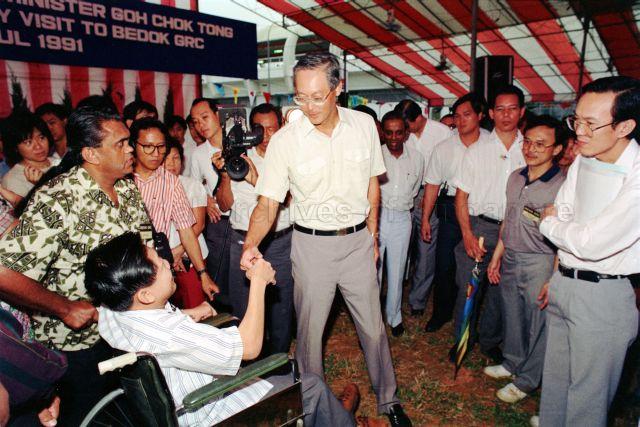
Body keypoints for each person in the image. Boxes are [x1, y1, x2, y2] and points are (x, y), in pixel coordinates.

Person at [240, 52, 410, 426]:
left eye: (318, 96)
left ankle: (389, 400)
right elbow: (268, 204)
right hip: (312, 246)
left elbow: (371, 185)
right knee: (310, 334)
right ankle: (309, 403)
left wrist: (374, 234)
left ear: (338, 88)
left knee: (373, 326)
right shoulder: (286, 140)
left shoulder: (365, 126)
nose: (309, 105)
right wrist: (251, 244)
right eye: (300, 97)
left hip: (357, 244)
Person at [85, 232, 369, 427]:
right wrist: (258, 283)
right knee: (312, 387)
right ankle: (342, 419)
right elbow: (249, 347)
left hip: (176, 408)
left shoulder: (113, 310)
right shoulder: (172, 333)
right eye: (160, 265)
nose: (169, 263)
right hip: (212, 412)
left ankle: (333, 416)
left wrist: (186, 313)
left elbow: (154, 328)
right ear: (145, 296)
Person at [0, 105, 153, 424]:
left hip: (126, 331)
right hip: (74, 346)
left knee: (129, 413)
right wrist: (63, 308)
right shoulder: (58, 200)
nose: (131, 150)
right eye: (121, 144)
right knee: (85, 417)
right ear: (91, 154)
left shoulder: (126, 188)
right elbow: (4, 273)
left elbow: (145, 249)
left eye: (129, 141)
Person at [538, 76, 640, 426]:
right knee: (555, 386)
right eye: (576, 120)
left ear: (625, 125)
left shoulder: (637, 176)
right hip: (565, 281)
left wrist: (551, 226)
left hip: (604, 295)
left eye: (590, 124)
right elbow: (563, 209)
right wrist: (566, 228)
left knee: (587, 401)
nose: (578, 131)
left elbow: (590, 243)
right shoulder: (585, 155)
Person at [484, 115, 566, 403]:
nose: (530, 148)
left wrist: (554, 277)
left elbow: (561, 240)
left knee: (537, 321)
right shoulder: (516, 176)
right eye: (528, 142)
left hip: (540, 261)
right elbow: (508, 219)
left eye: (540, 144)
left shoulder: (562, 184)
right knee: (512, 314)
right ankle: (512, 361)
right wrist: (497, 256)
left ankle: (528, 380)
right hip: (511, 255)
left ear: (557, 149)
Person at [452, 85, 526, 362]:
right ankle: (462, 339)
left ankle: (491, 340)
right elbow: (461, 197)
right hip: (479, 227)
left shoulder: (529, 148)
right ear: (491, 114)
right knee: (469, 287)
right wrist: (467, 234)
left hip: (514, 231)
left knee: (501, 290)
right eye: (501, 109)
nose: (506, 115)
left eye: (512, 109)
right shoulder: (477, 150)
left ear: (521, 111)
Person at [214, 103, 295, 356]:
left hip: (281, 243)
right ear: (252, 130)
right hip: (242, 243)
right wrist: (225, 174)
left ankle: (279, 365)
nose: (268, 136)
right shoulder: (239, 157)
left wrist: (255, 179)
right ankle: (247, 367)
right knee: (242, 308)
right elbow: (224, 204)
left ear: (281, 127)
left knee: (281, 311)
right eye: (262, 130)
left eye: (273, 128)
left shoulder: (289, 156)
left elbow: (288, 200)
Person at [421, 93, 490, 333]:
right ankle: (441, 313)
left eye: (467, 115)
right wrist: (426, 219)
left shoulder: (492, 145)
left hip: (481, 211)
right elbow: (431, 184)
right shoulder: (444, 148)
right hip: (450, 209)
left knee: (476, 267)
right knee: (445, 265)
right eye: (457, 116)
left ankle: (472, 317)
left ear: (481, 115)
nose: (461, 121)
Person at [130, 118, 218, 300]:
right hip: (127, 267)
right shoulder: (122, 180)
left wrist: (203, 274)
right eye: (148, 146)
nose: (156, 153)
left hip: (158, 266)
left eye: (161, 147)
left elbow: (187, 231)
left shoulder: (171, 182)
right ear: (134, 145)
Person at [394, 99, 452, 317]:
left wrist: (429, 196)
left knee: (426, 250)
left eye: (407, 127)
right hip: (405, 195)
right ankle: (394, 294)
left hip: (432, 195)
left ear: (418, 119)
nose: (404, 133)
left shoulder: (442, 133)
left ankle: (417, 300)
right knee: (401, 247)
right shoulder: (404, 135)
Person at [377, 110, 424, 337]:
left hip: (403, 218)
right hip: (377, 217)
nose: (394, 137)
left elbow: (415, 190)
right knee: (373, 271)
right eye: (389, 133)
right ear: (383, 133)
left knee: (397, 271)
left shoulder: (417, 158)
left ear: (406, 133)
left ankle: (394, 317)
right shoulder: (374, 155)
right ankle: (373, 320)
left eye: (398, 133)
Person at [189, 98, 230, 297]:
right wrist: (206, 200)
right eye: (195, 122)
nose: (200, 125)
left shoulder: (239, 143)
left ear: (218, 114)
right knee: (219, 277)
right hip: (219, 222)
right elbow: (194, 186)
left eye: (204, 117)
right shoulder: (198, 154)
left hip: (247, 218)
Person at [163, 139, 211, 309]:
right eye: (166, 159)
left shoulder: (192, 185)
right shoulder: (151, 186)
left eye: (176, 158)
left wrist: (177, 252)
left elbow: (198, 225)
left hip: (190, 257)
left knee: (195, 306)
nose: (171, 163)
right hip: (163, 259)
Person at [1, 112, 59, 198]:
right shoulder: (13, 179)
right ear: (15, 147)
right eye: (28, 142)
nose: (38, 146)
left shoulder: (59, 161)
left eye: (41, 137)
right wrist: (40, 185)